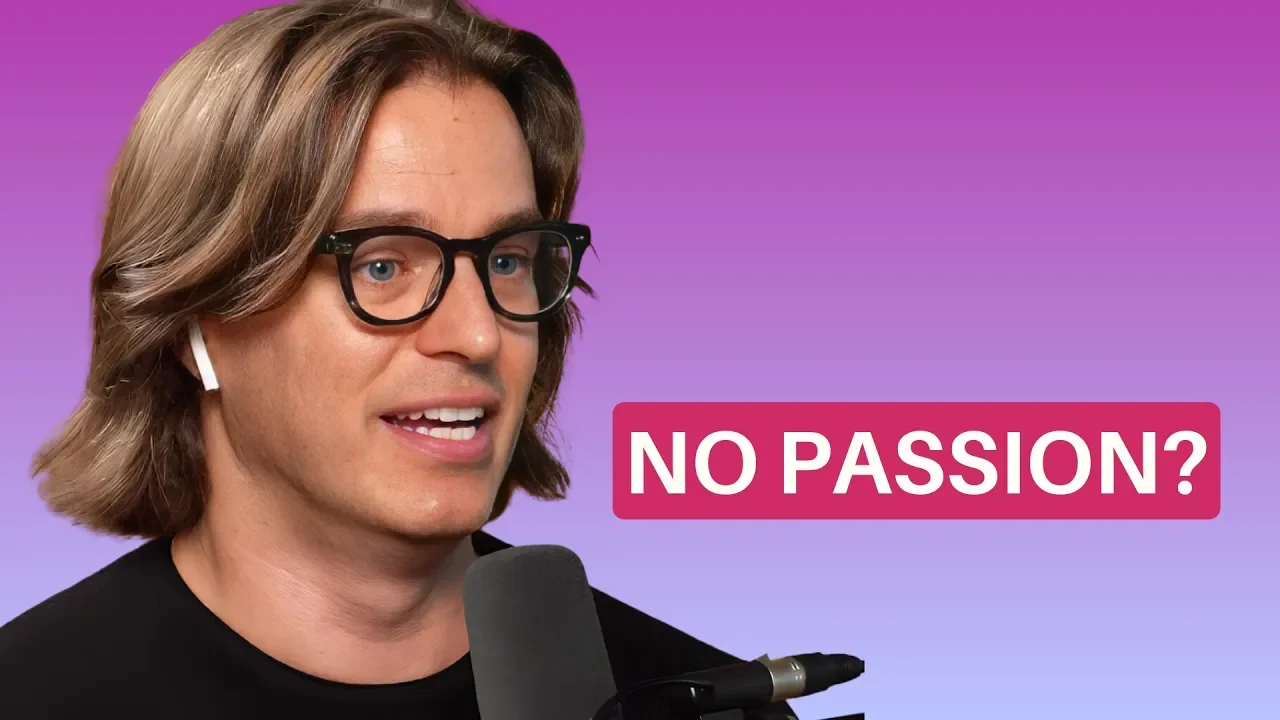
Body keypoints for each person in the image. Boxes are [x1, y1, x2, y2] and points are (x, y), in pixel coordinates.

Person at [0, 1, 796, 718]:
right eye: (382, 265)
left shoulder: (694, 703)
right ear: (194, 318)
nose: (478, 335)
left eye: (508, 260)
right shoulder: (31, 692)